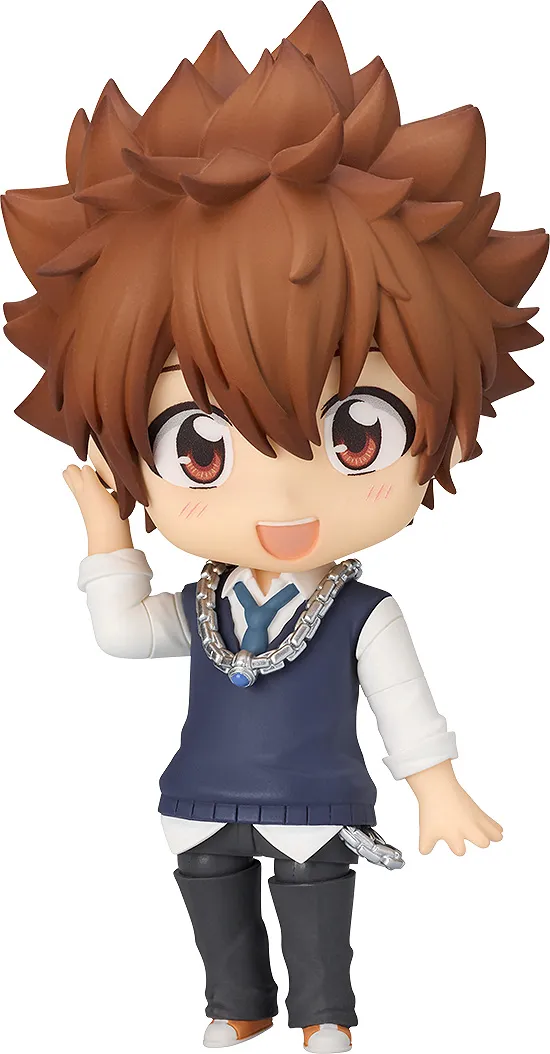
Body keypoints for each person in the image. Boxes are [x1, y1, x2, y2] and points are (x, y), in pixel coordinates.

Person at [2, 4, 546, 1050]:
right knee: (215, 915)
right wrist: (107, 535)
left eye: (357, 436)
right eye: (201, 449)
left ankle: (324, 1020)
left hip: (314, 803)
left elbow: (403, 705)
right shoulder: (203, 604)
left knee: (316, 923)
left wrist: (435, 785)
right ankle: (235, 1009)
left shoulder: (362, 613)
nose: (286, 503)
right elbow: (123, 636)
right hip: (201, 797)